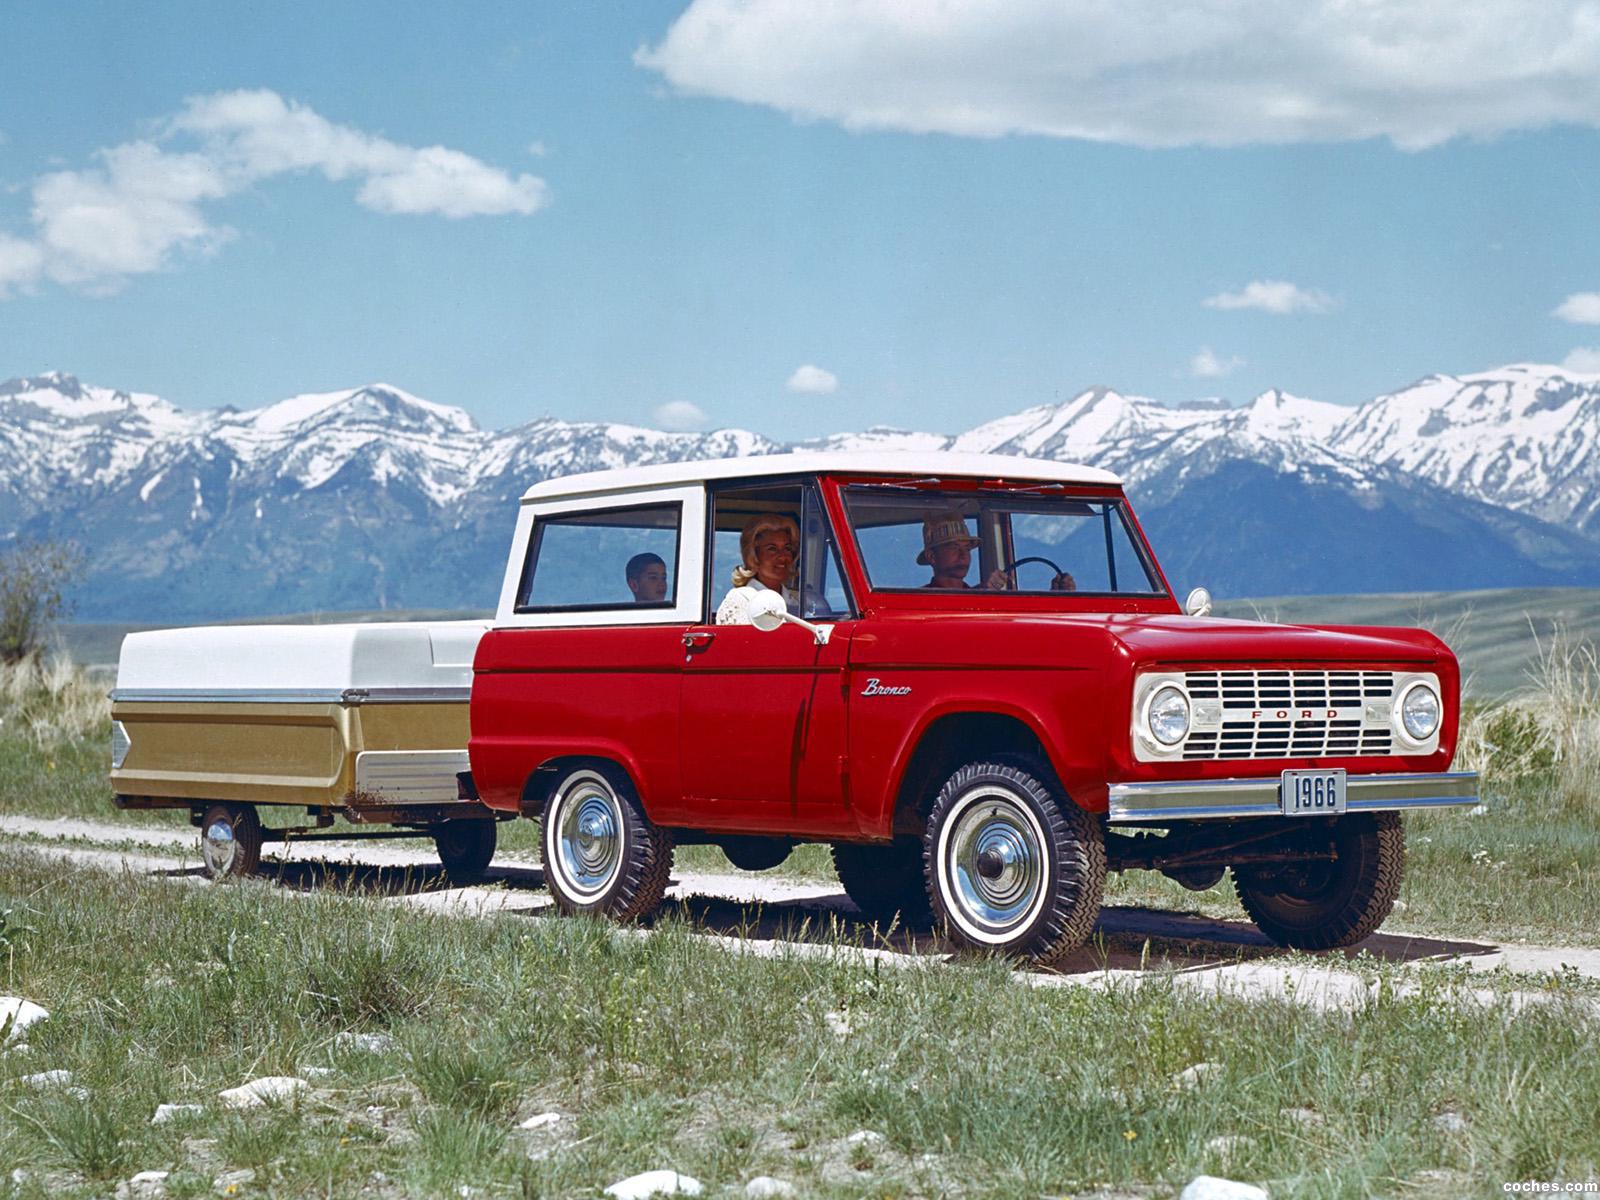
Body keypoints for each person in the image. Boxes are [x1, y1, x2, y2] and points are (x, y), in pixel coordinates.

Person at [716, 515, 800, 624]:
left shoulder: (800, 601)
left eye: (787, 548)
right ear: (753, 554)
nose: (783, 557)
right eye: (772, 549)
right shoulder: (741, 600)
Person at [918, 513, 1009, 590]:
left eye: (967, 548)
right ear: (931, 556)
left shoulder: (981, 598)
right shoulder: (919, 601)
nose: (963, 554)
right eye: (954, 547)